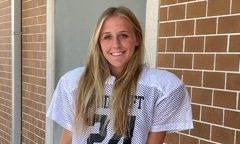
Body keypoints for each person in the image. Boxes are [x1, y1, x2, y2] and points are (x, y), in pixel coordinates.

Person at [47, 6, 193, 144]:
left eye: (124, 36)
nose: (116, 44)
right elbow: (69, 136)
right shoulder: (73, 83)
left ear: (137, 39)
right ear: (98, 42)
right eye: (107, 37)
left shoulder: (161, 87)